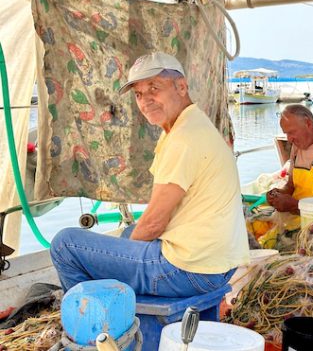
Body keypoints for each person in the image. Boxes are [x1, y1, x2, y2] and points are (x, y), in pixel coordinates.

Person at [50, 52, 250, 297]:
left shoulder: (184, 139)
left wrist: (123, 259)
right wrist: (124, 253)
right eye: (139, 94)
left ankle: (94, 319)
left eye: (154, 88)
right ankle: (107, 302)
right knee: (126, 234)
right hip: (218, 263)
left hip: (188, 271)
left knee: (65, 244)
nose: (146, 100)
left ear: (181, 87)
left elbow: (155, 223)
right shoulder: (191, 124)